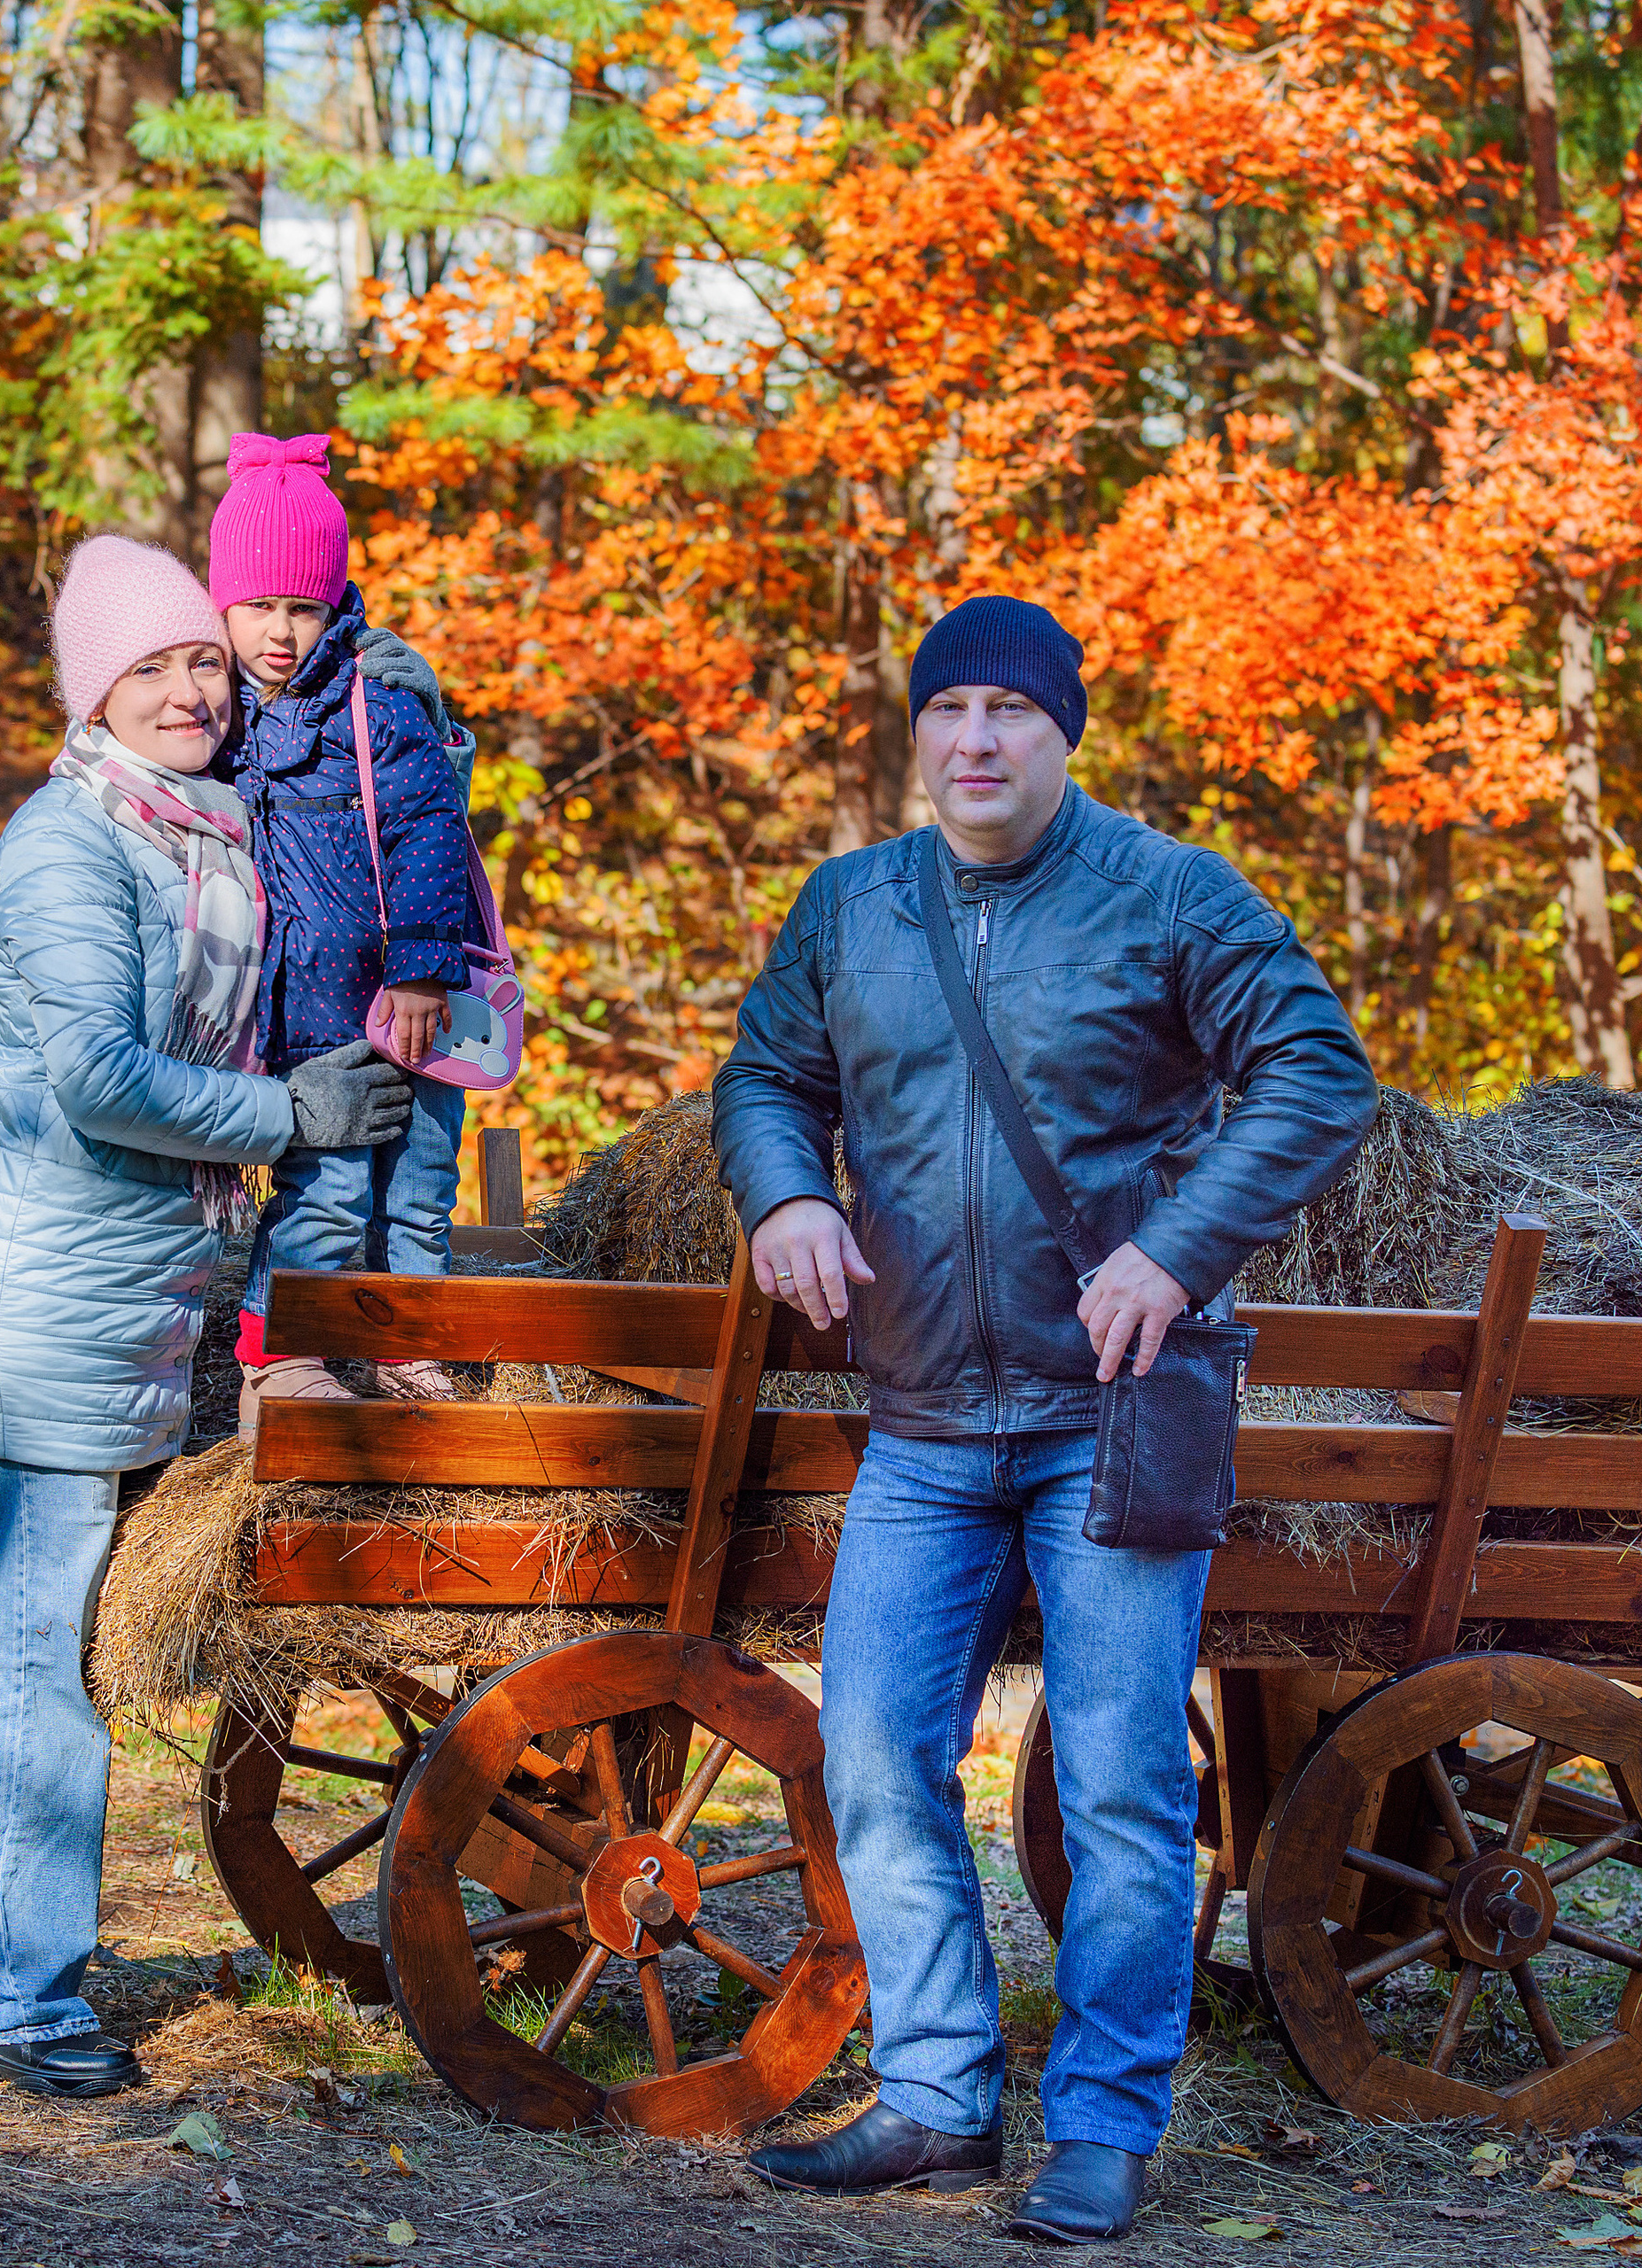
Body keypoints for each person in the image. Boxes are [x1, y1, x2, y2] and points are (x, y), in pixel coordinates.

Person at [711, 595, 1376, 2240]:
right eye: (949, 710)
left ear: (1064, 733)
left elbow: (1316, 1069)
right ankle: (940, 2096)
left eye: (1013, 711)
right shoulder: (854, 904)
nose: (977, 741)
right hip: (924, 1421)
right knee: (873, 1759)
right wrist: (787, 1189)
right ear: (917, 732)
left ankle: (1101, 2123)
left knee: (1126, 1785)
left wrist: (1174, 1246)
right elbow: (764, 1078)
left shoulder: (1165, 893)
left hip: (1112, 1418)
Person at [0, 536, 412, 2100]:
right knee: (39, 1652)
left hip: (119, 1302)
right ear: (93, 690)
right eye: (151, 667)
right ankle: (9, 2002)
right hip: (45, 1302)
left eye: (205, 665)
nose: (188, 690)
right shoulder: (69, 845)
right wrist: (289, 1110)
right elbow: (98, 1076)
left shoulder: (202, 834)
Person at [207, 431, 479, 1438]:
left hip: (407, 999)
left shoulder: (377, 699)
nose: (279, 631)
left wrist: (421, 968)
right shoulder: (214, 713)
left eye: (302, 606)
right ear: (222, 604)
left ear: (335, 603)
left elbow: (426, 834)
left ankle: (412, 1344)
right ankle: (278, 1362)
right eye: (258, 606)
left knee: (419, 1185)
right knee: (321, 1192)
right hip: (302, 1015)